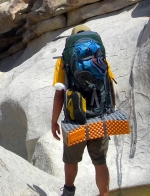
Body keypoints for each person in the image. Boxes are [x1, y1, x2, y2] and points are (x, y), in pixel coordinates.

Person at [51, 25, 113, 196]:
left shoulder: (63, 60)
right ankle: (104, 194)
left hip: (74, 119)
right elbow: (109, 86)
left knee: (71, 160)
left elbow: (59, 94)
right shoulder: (101, 58)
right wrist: (109, 111)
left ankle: (69, 191)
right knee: (100, 162)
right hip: (99, 115)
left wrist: (54, 122)